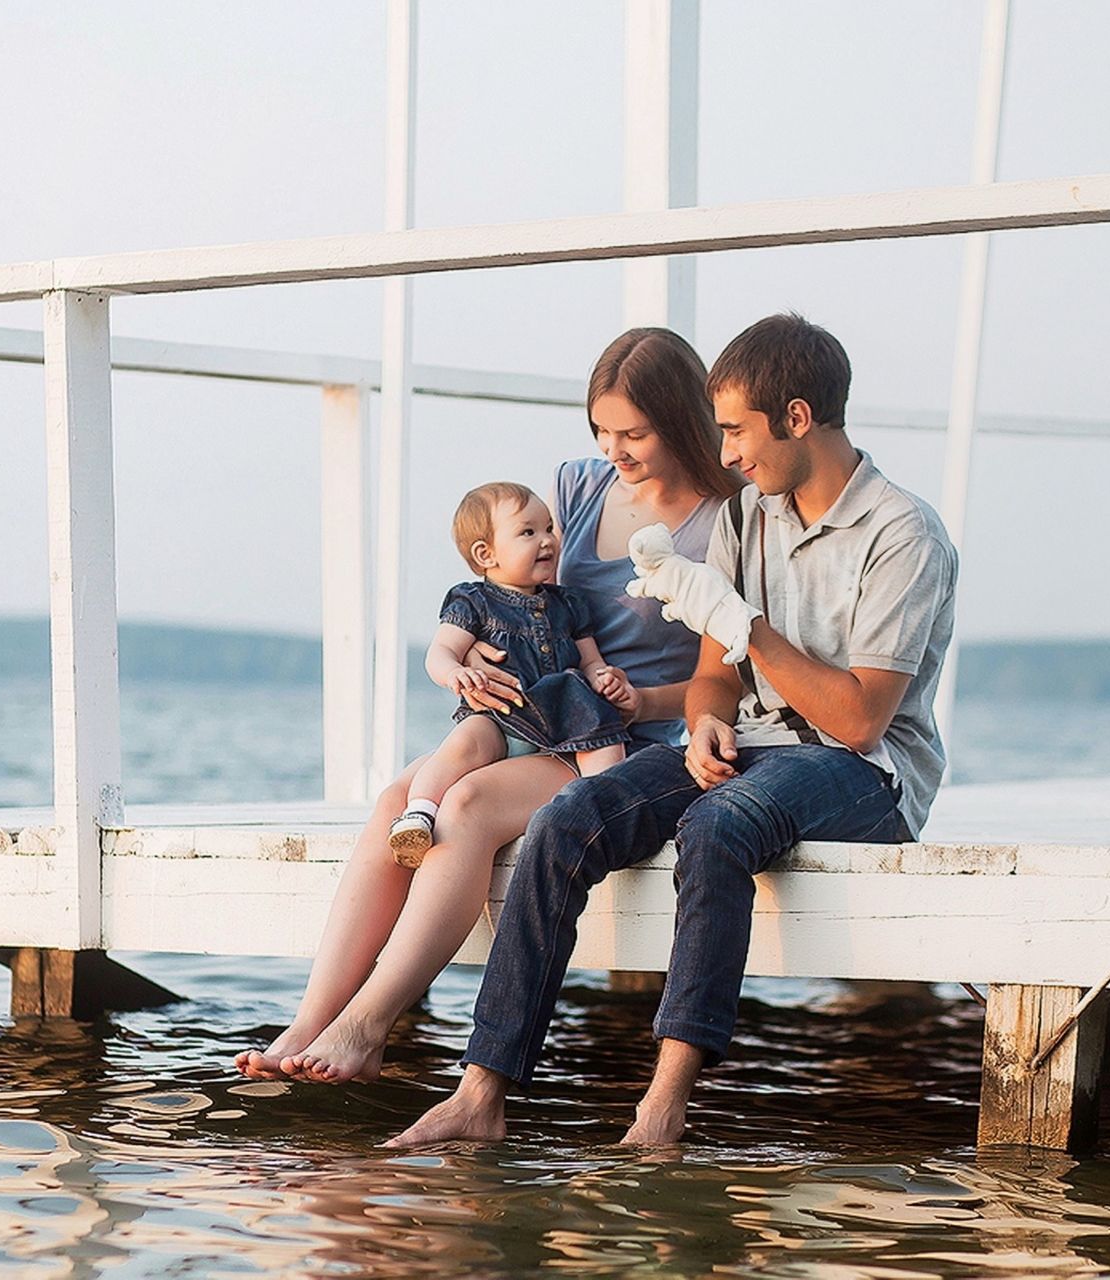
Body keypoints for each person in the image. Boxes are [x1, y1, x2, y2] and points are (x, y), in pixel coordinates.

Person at [386, 313, 958, 1147]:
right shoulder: (746, 517)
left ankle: (662, 1107)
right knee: (566, 819)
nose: (725, 454)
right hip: (754, 746)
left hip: (865, 774)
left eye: (736, 430)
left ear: (797, 418)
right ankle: (482, 1093)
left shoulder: (903, 534)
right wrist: (702, 725)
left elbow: (861, 719)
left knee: (719, 823)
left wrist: (746, 623)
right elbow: (715, 677)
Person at [233, 327, 741, 1085]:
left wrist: (639, 696)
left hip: (627, 740)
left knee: (464, 806)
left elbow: (725, 669)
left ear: (682, 418)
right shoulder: (580, 485)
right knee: (399, 800)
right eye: (602, 430)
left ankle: (369, 1028)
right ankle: (312, 1020)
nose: (614, 450)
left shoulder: (726, 518)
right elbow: (522, 589)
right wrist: (468, 652)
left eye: (632, 433)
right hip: (529, 718)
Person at [386, 482, 634, 870]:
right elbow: (441, 652)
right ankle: (419, 812)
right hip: (500, 716)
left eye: (549, 528)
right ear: (486, 554)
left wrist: (603, 677)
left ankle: (607, 806)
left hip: (563, 722)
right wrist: (456, 673)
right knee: (463, 745)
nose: (547, 540)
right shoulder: (474, 602)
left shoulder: (567, 604)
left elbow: (590, 660)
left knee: (602, 742)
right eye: (528, 532)